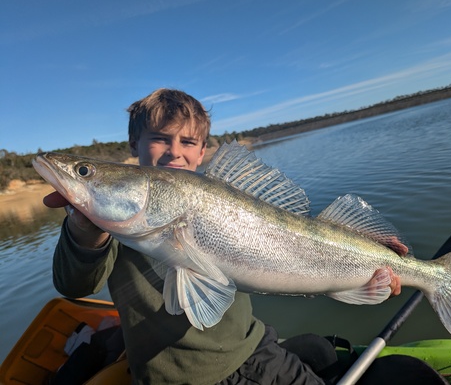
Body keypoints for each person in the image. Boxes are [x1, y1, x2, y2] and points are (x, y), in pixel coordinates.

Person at [44, 88, 403, 384]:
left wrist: (377, 264)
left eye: (188, 141)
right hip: (175, 378)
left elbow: (295, 266)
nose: (175, 151)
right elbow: (74, 285)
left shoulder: (216, 192)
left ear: (202, 152)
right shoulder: (103, 226)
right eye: (159, 139)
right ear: (134, 143)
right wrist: (82, 228)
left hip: (254, 350)